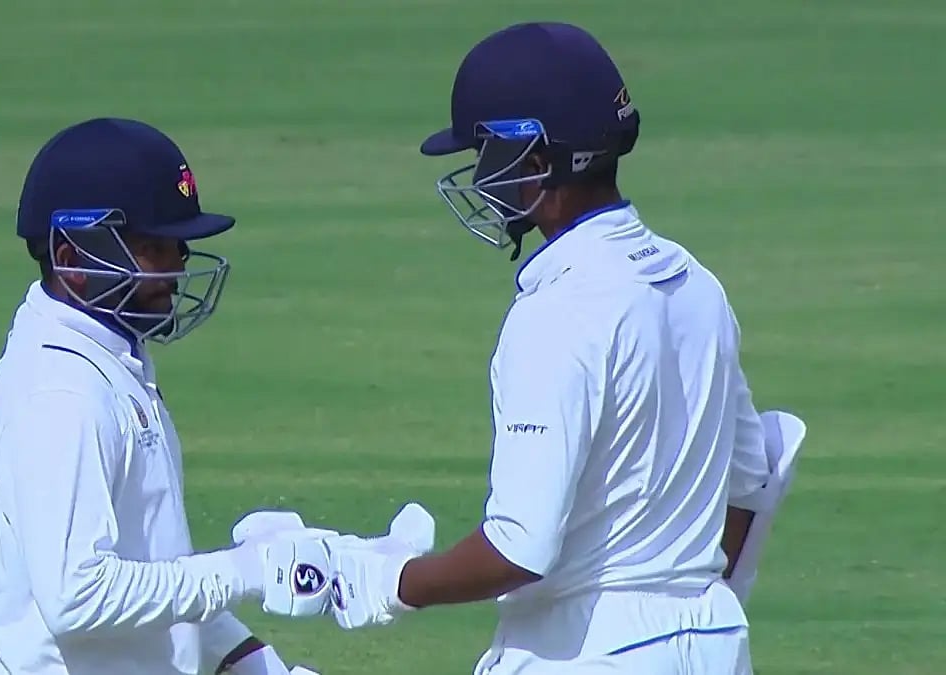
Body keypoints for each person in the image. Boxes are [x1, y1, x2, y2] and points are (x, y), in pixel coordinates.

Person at [273, 22, 777, 674]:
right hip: (715, 641)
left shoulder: (557, 312)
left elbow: (519, 546)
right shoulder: (697, 285)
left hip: (585, 652)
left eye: (487, 155)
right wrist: (682, 602)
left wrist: (388, 582)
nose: (481, 176)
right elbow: (750, 483)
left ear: (535, 163)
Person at [0, 117, 330, 675]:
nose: (178, 267)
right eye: (153, 247)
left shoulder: (109, 358)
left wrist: (259, 667)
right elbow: (77, 597)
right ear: (73, 257)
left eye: (178, 245)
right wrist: (248, 570)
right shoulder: (60, 393)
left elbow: (157, 577)